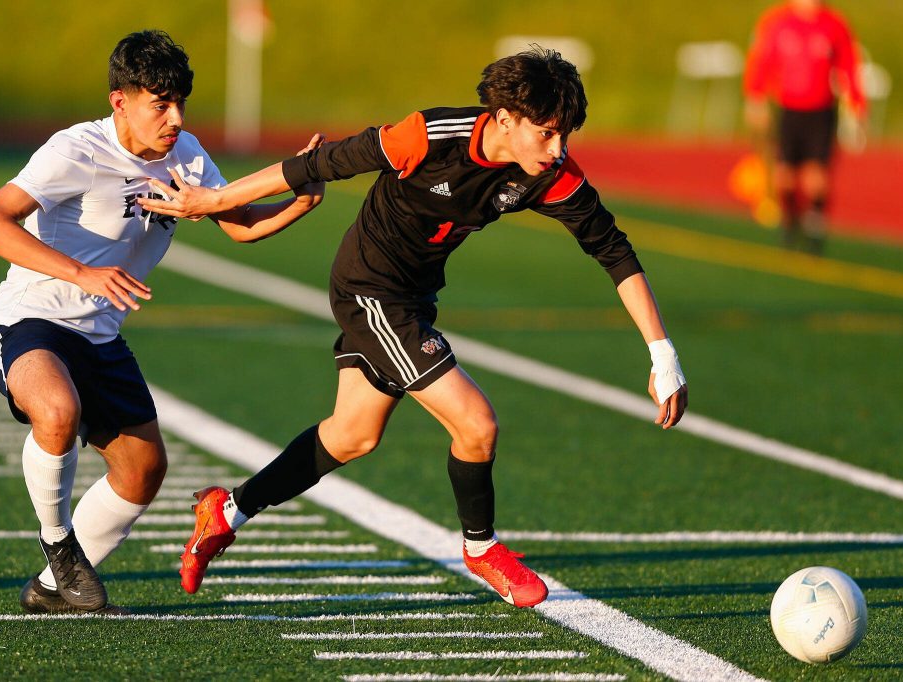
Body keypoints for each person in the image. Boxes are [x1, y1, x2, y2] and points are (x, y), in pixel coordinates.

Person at [140, 47, 688, 609]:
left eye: (566, 136)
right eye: (547, 134)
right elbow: (316, 165)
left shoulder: (547, 175)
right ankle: (481, 548)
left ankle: (225, 511)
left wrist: (661, 353)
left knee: (354, 434)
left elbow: (613, 251)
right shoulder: (428, 135)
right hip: (368, 289)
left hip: (414, 298)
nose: (558, 150)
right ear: (504, 119)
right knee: (476, 424)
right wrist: (214, 200)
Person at [0, 29, 323, 614]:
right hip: (31, 322)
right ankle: (60, 548)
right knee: (57, 411)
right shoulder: (75, 149)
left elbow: (239, 224)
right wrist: (82, 273)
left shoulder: (187, 155)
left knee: (143, 472)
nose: (176, 117)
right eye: (160, 104)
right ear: (120, 101)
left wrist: (301, 201)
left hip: (100, 337)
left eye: (181, 102)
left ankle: (51, 588)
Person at [743, 0, 866, 254]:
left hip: (821, 111)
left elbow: (849, 65)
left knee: (816, 177)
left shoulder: (834, 24)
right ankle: (791, 223)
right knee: (784, 176)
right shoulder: (779, 22)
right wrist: (755, 96)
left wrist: (857, 103)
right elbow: (762, 60)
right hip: (789, 110)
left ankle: (814, 227)